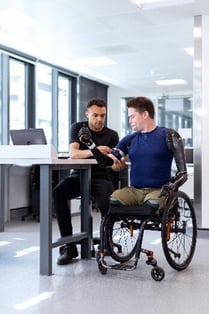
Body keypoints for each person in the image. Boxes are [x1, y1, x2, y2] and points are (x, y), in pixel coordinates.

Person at [83, 96, 188, 209]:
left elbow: (183, 174)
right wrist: (90, 144)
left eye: (132, 116)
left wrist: (171, 187)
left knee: (152, 203)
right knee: (111, 200)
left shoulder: (169, 136)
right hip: (134, 191)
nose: (130, 121)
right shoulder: (129, 139)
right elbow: (105, 162)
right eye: (129, 117)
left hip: (158, 191)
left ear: (145, 114)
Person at [53, 98, 119, 265]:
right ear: (87, 114)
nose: (99, 119)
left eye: (102, 116)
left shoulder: (112, 135)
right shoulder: (78, 128)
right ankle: (69, 246)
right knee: (58, 192)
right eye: (95, 115)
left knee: (107, 202)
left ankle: (107, 242)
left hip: (101, 177)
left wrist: (101, 155)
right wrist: (95, 151)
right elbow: (73, 154)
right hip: (79, 175)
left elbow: (111, 162)